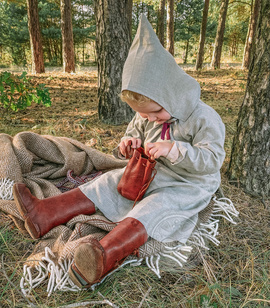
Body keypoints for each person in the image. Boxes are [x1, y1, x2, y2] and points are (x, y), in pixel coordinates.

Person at [12, 15, 225, 288]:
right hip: (151, 172)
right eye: (142, 115)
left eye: (156, 112)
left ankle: (104, 255)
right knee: (107, 182)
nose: (150, 120)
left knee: (154, 208)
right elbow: (134, 131)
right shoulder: (147, 115)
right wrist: (128, 143)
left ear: (171, 93)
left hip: (188, 183)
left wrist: (175, 149)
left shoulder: (204, 118)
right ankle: (44, 213)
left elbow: (212, 160)